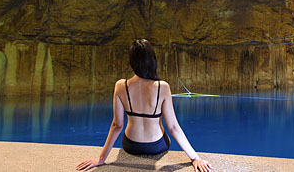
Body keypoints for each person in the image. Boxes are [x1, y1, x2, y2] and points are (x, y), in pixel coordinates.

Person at [77, 39, 212, 171]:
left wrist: (101, 159)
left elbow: (117, 125)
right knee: (162, 129)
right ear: (152, 60)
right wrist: (195, 158)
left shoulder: (120, 86)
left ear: (132, 62)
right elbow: (173, 127)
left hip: (131, 145)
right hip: (156, 146)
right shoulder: (162, 87)